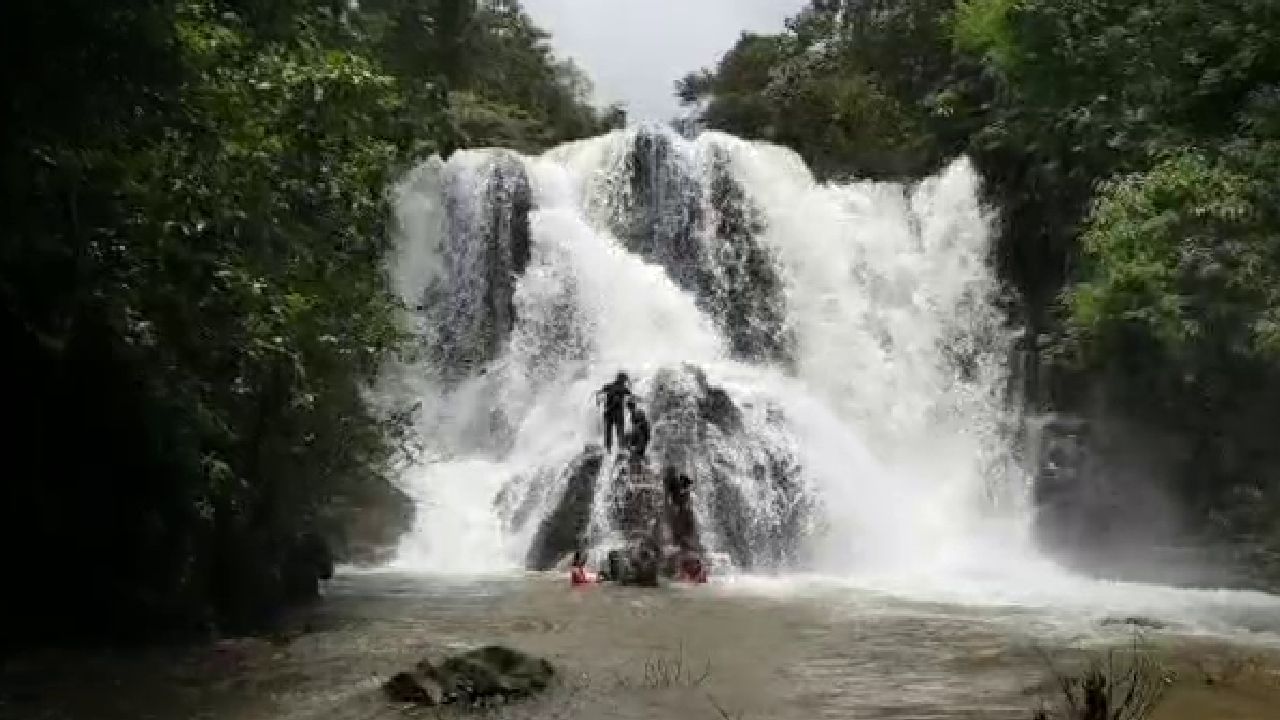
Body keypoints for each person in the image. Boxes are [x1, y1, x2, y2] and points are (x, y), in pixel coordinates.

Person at [595, 372, 632, 453]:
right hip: (617, 413)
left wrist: (597, 402)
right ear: (622, 380)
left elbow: (598, 393)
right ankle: (620, 448)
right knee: (620, 431)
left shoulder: (608, 386)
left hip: (608, 411)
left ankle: (608, 450)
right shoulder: (623, 389)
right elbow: (631, 397)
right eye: (625, 380)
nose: (625, 381)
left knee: (608, 432)